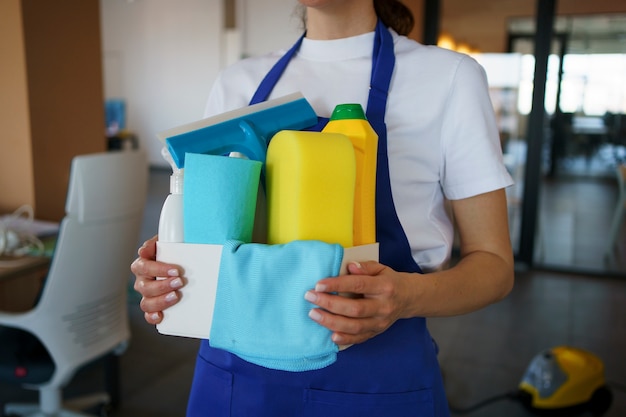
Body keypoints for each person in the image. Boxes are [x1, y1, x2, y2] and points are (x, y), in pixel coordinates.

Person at [131, 0, 515, 415]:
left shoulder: (449, 78)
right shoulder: (238, 83)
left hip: (375, 383)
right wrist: (169, 271)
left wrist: (405, 297)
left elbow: (494, 266)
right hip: (235, 378)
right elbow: (207, 235)